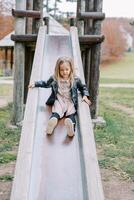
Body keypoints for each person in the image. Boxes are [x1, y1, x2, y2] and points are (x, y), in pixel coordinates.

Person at [28, 57, 91, 137]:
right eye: (62, 70)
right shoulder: (54, 78)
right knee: (56, 112)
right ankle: (52, 123)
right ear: (58, 70)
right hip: (59, 100)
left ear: (71, 69)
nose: (64, 72)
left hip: (70, 101)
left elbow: (83, 87)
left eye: (67, 69)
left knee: (71, 113)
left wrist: (85, 95)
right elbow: (46, 84)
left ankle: (71, 128)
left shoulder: (75, 79)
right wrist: (36, 84)